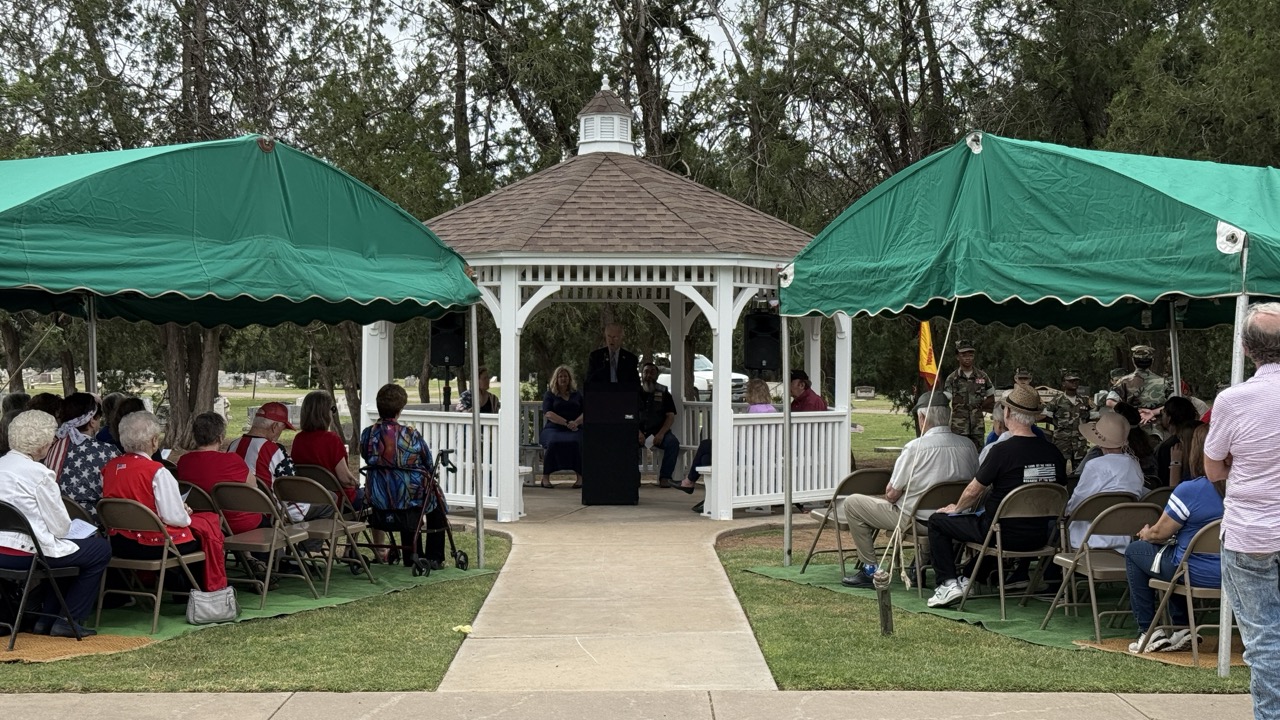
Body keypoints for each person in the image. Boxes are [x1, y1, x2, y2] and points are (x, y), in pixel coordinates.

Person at [925, 383, 1066, 608]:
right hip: (1041, 535)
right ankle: (969, 578)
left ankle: (947, 584)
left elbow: (974, 490)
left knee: (938, 521)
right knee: (992, 524)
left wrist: (957, 509)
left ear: (1007, 413)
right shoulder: (1053, 451)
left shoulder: (1001, 451)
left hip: (1000, 532)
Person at [1204, 302, 1280, 719]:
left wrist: (1242, 467)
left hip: (1250, 530)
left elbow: (1212, 464)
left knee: (1265, 638)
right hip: (1254, 527)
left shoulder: (1233, 400)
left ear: (1248, 350)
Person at [840, 391, 979, 588]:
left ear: (922, 418)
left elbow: (892, 494)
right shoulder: (969, 446)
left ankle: (870, 569)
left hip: (915, 520)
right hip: (955, 518)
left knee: (853, 503)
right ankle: (918, 566)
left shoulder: (915, 448)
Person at [0, 410, 111, 638]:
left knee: (68, 552)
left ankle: (45, 619)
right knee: (99, 549)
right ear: (43, 444)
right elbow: (61, 528)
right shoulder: (39, 473)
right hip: (26, 554)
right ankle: (68, 619)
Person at [101, 411, 226, 592]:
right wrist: (185, 512)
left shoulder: (110, 467)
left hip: (119, 542)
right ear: (153, 441)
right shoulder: (157, 471)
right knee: (203, 536)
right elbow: (175, 518)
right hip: (153, 544)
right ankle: (194, 593)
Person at [1124, 424, 1222, 654]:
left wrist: (1146, 533)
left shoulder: (1190, 490)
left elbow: (1160, 533)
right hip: (1237, 571)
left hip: (1193, 571)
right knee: (1174, 555)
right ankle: (1181, 628)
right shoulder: (1244, 488)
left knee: (1136, 551)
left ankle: (1148, 631)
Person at [360, 383, 445, 569]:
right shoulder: (410, 435)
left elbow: (367, 457)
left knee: (408, 489)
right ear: (399, 410)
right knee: (434, 496)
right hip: (407, 498)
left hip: (379, 497)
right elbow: (427, 463)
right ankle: (434, 557)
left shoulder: (368, 434)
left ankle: (412, 555)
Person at [228, 402, 331, 524]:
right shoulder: (273, 449)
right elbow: (292, 485)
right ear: (274, 426)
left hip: (239, 508)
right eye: (282, 429)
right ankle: (303, 541)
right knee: (329, 501)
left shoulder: (233, 445)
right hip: (273, 512)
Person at [675, 378, 776, 493]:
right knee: (705, 459)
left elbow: (743, 437)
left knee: (705, 444)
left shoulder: (753, 410)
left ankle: (692, 484)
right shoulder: (772, 410)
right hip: (765, 456)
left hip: (747, 456)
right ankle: (702, 493)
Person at [1066, 411, 1144, 551]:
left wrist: (1065, 511)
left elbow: (1076, 506)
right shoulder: (1134, 465)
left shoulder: (1095, 465)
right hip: (1123, 538)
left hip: (1089, 538)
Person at [176, 412, 263, 534]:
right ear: (220, 437)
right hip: (237, 522)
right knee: (269, 524)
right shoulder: (232, 460)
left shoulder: (184, 462)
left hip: (203, 521)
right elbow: (253, 486)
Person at [43, 393, 119, 519]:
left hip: (54, 517)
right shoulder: (108, 452)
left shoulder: (50, 448)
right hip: (93, 523)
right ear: (92, 420)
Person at [291, 390, 361, 509]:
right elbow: (344, 479)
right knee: (373, 498)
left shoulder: (299, 439)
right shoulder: (331, 440)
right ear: (324, 412)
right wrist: (356, 483)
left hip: (309, 499)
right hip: (337, 500)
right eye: (332, 409)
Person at [539, 365, 584, 489]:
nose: (563, 379)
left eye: (565, 376)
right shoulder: (550, 395)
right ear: (556, 379)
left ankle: (580, 477)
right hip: (553, 428)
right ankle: (546, 477)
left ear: (569, 379)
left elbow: (586, 412)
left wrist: (575, 423)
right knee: (553, 442)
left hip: (575, 428)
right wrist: (565, 423)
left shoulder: (577, 394)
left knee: (576, 442)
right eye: (560, 376)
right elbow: (548, 413)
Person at [943, 339, 994, 450]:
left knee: (978, 456)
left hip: (977, 426)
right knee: (959, 456)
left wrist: (979, 408)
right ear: (957, 357)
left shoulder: (982, 376)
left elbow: (991, 397)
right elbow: (946, 399)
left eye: (970, 355)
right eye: (964, 355)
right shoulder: (952, 378)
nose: (967, 358)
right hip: (959, 427)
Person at [638, 362, 680, 488]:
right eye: (646, 372)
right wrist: (637, 432)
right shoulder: (635, 392)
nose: (649, 375)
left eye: (652, 372)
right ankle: (633, 478)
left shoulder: (664, 392)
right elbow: (628, 415)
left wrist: (661, 433)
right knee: (626, 443)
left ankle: (665, 478)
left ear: (657, 375)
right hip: (638, 431)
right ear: (641, 374)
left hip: (659, 431)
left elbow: (670, 416)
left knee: (673, 443)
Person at [1107, 344, 1171, 429]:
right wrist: (1153, 412)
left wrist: (1132, 412)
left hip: (1132, 428)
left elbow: (1110, 402)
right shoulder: (1164, 382)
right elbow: (1174, 404)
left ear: (1133, 361)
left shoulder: (1123, 382)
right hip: (1159, 427)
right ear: (1152, 361)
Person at [1047, 369, 1093, 473]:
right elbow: (1047, 416)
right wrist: (1058, 427)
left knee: (1080, 472)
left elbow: (1092, 416)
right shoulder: (1057, 401)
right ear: (1064, 383)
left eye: (1076, 381)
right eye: (1071, 381)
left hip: (1079, 443)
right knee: (1059, 470)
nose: (1074, 383)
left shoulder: (1085, 401)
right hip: (1062, 442)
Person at [1153, 396, 1202, 487]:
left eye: (1163, 413)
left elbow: (1163, 481)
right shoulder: (1200, 439)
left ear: (1169, 418)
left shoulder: (1168, 447)